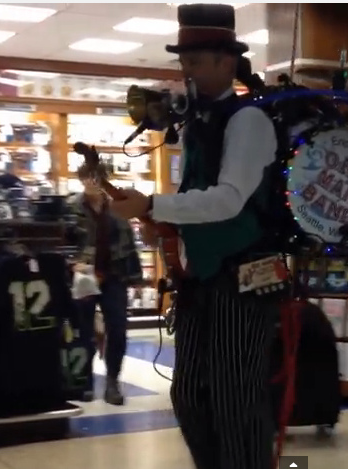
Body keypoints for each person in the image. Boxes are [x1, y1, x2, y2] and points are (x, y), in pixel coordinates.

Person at [109, 4, 278, 469]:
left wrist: (153, 205)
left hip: (244, 280)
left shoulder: (247, 121)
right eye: (183, 60)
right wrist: (165, 224)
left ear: (226, 61)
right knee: (188, 395)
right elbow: (200, 201)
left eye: (195, 60)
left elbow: (227, 200)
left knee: (234, 402)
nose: (185, 70)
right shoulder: (199, 124)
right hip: (203, 279)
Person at [68, 164, 143, 405]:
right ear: (81, 179)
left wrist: (135, 276)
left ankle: (112, 381)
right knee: (84, 330)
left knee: (118, 329)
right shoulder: (71, 207)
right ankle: (85, 380)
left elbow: (129, 242)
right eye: (88, 177)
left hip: (114, 276)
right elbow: (62, 241)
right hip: (84, 276)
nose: (92, 181)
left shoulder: (118, 207)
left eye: (97, 177)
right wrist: (72, 264)